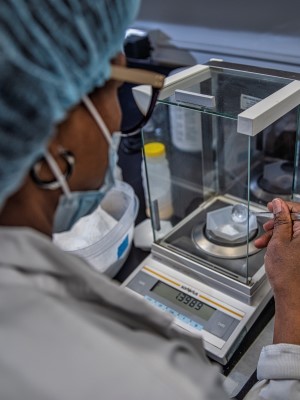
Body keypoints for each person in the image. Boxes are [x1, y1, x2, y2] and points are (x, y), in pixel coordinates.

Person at [0, 1, 299, 399]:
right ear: (50, 121)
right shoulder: (157, 380)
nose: (120, 117)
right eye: (117, 86)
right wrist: (292, 304)